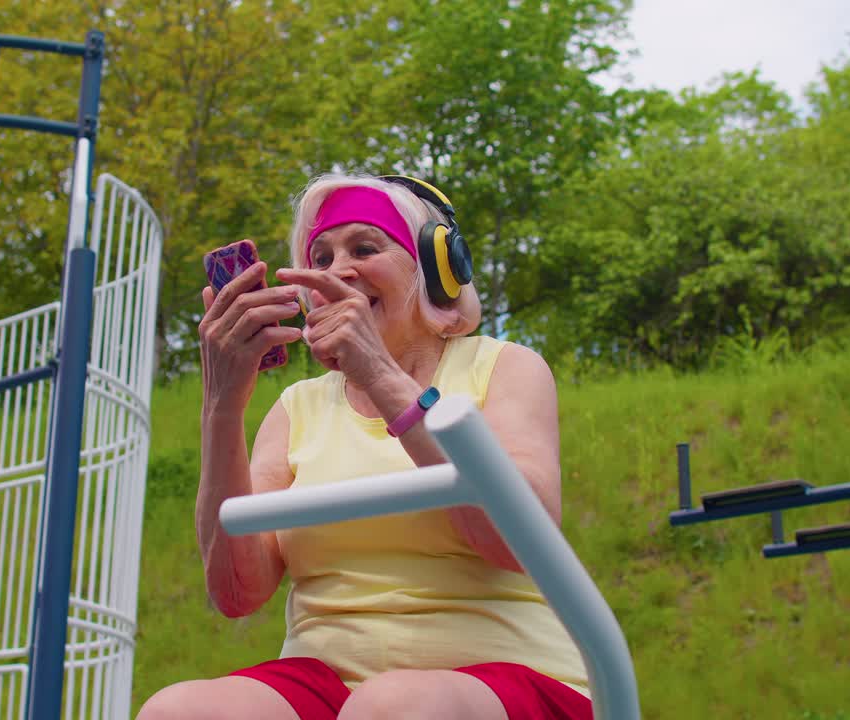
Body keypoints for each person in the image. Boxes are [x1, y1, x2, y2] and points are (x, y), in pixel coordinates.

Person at [137, 173, 592, 720]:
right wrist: (222, 405)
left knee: (393, 706)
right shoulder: (297, 408)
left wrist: (378, 371)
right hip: (328, 685)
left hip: (505, 675)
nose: (338, 271)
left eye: (365, 247)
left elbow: (523, 542)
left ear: (437, 268)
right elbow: (238, 593)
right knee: (179, 710)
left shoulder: (505, 367)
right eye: (321, 257)